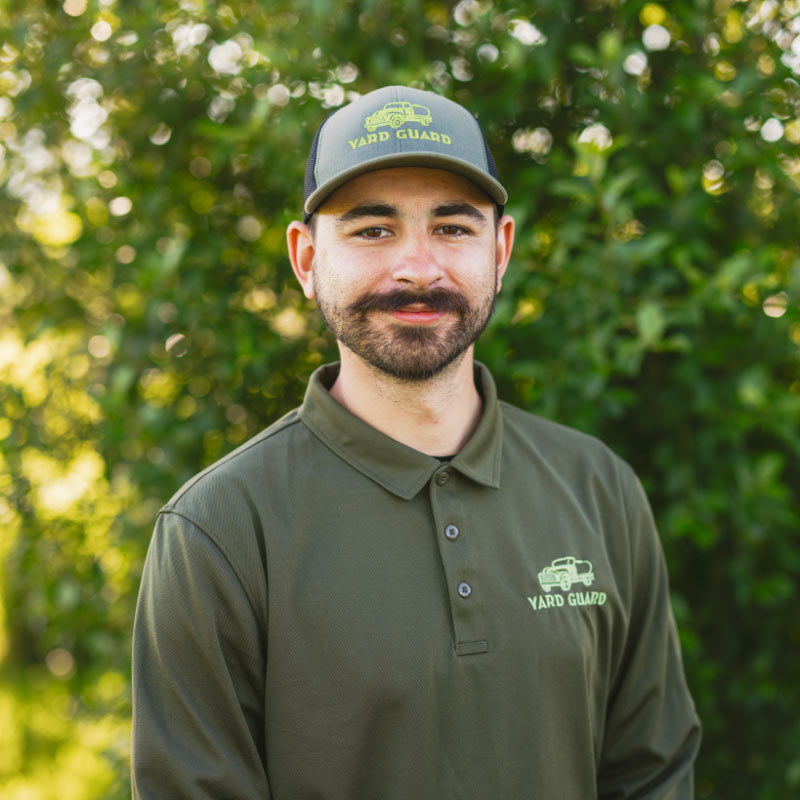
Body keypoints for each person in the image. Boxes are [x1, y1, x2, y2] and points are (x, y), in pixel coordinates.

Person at [131, 85, 701, 799]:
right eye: (373, 230)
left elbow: (652, 772)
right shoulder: (218, 531)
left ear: (501, 248)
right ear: (306, 258)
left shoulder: (598, 488)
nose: (418, 268)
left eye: (453, 228)